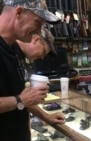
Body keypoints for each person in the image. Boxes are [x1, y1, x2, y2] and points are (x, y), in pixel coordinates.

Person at [0, 0, 64, 140]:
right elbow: (21, 99)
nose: (39, 31)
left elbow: (23, 99)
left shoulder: (14, 49)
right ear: (19, 12)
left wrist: (46, 117)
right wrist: (20, 100)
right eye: (37, 22)